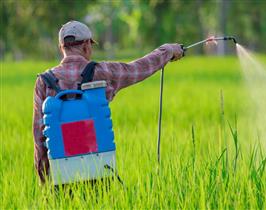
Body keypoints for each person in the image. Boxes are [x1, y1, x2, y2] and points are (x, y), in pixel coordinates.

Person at [32, 20, 184, 184]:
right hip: (100, 170)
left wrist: (45, 182)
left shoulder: (44, 81)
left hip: (61, 174)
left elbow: (39, 135)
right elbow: (139, 68)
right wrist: (168, 51)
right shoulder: (102, 72)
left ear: (62, 47)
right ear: (86, 46)